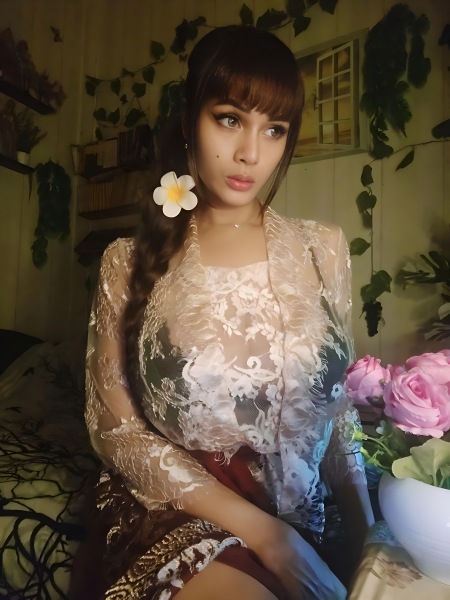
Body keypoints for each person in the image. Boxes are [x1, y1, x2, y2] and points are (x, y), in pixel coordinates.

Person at [84, 25, 374, 600]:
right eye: (229, 119)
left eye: (274, 129)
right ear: (188, 120)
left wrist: (372, 538)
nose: (251, 153)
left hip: (309, 509)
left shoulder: (323, 248)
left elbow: (338, 410)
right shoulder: (126, 261)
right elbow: (116, 431)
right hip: (181, 506)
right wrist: (269, 537)